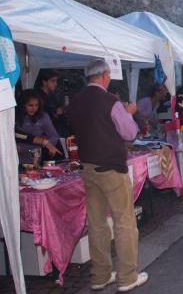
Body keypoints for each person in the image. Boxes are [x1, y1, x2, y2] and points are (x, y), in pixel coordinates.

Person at [66, 60, 147, 292]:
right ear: (104, 75)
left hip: (87, 166)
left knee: (97, 223)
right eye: (108, 75)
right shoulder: (109, 101)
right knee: (125, 221)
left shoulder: (75, 101)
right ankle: (127, 277)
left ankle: (100, 275)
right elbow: (129, 133)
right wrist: (128, 113)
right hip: (110, 167)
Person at [15, 89, 61, 161]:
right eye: (30, 105)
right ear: (22, 105)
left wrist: (47, 145)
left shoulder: (42, 117)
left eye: (36, 105)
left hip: (35, 157)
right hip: (16, 156)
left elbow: (54, 136)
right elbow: (13, 134)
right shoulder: (14, 117)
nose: (34, 108)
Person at [34, 69, 69, 136]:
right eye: (53, 81)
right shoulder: (37, 96)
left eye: (56, 81)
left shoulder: (52, 96)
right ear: (44, 82)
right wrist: (55, 111)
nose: (56, 84)